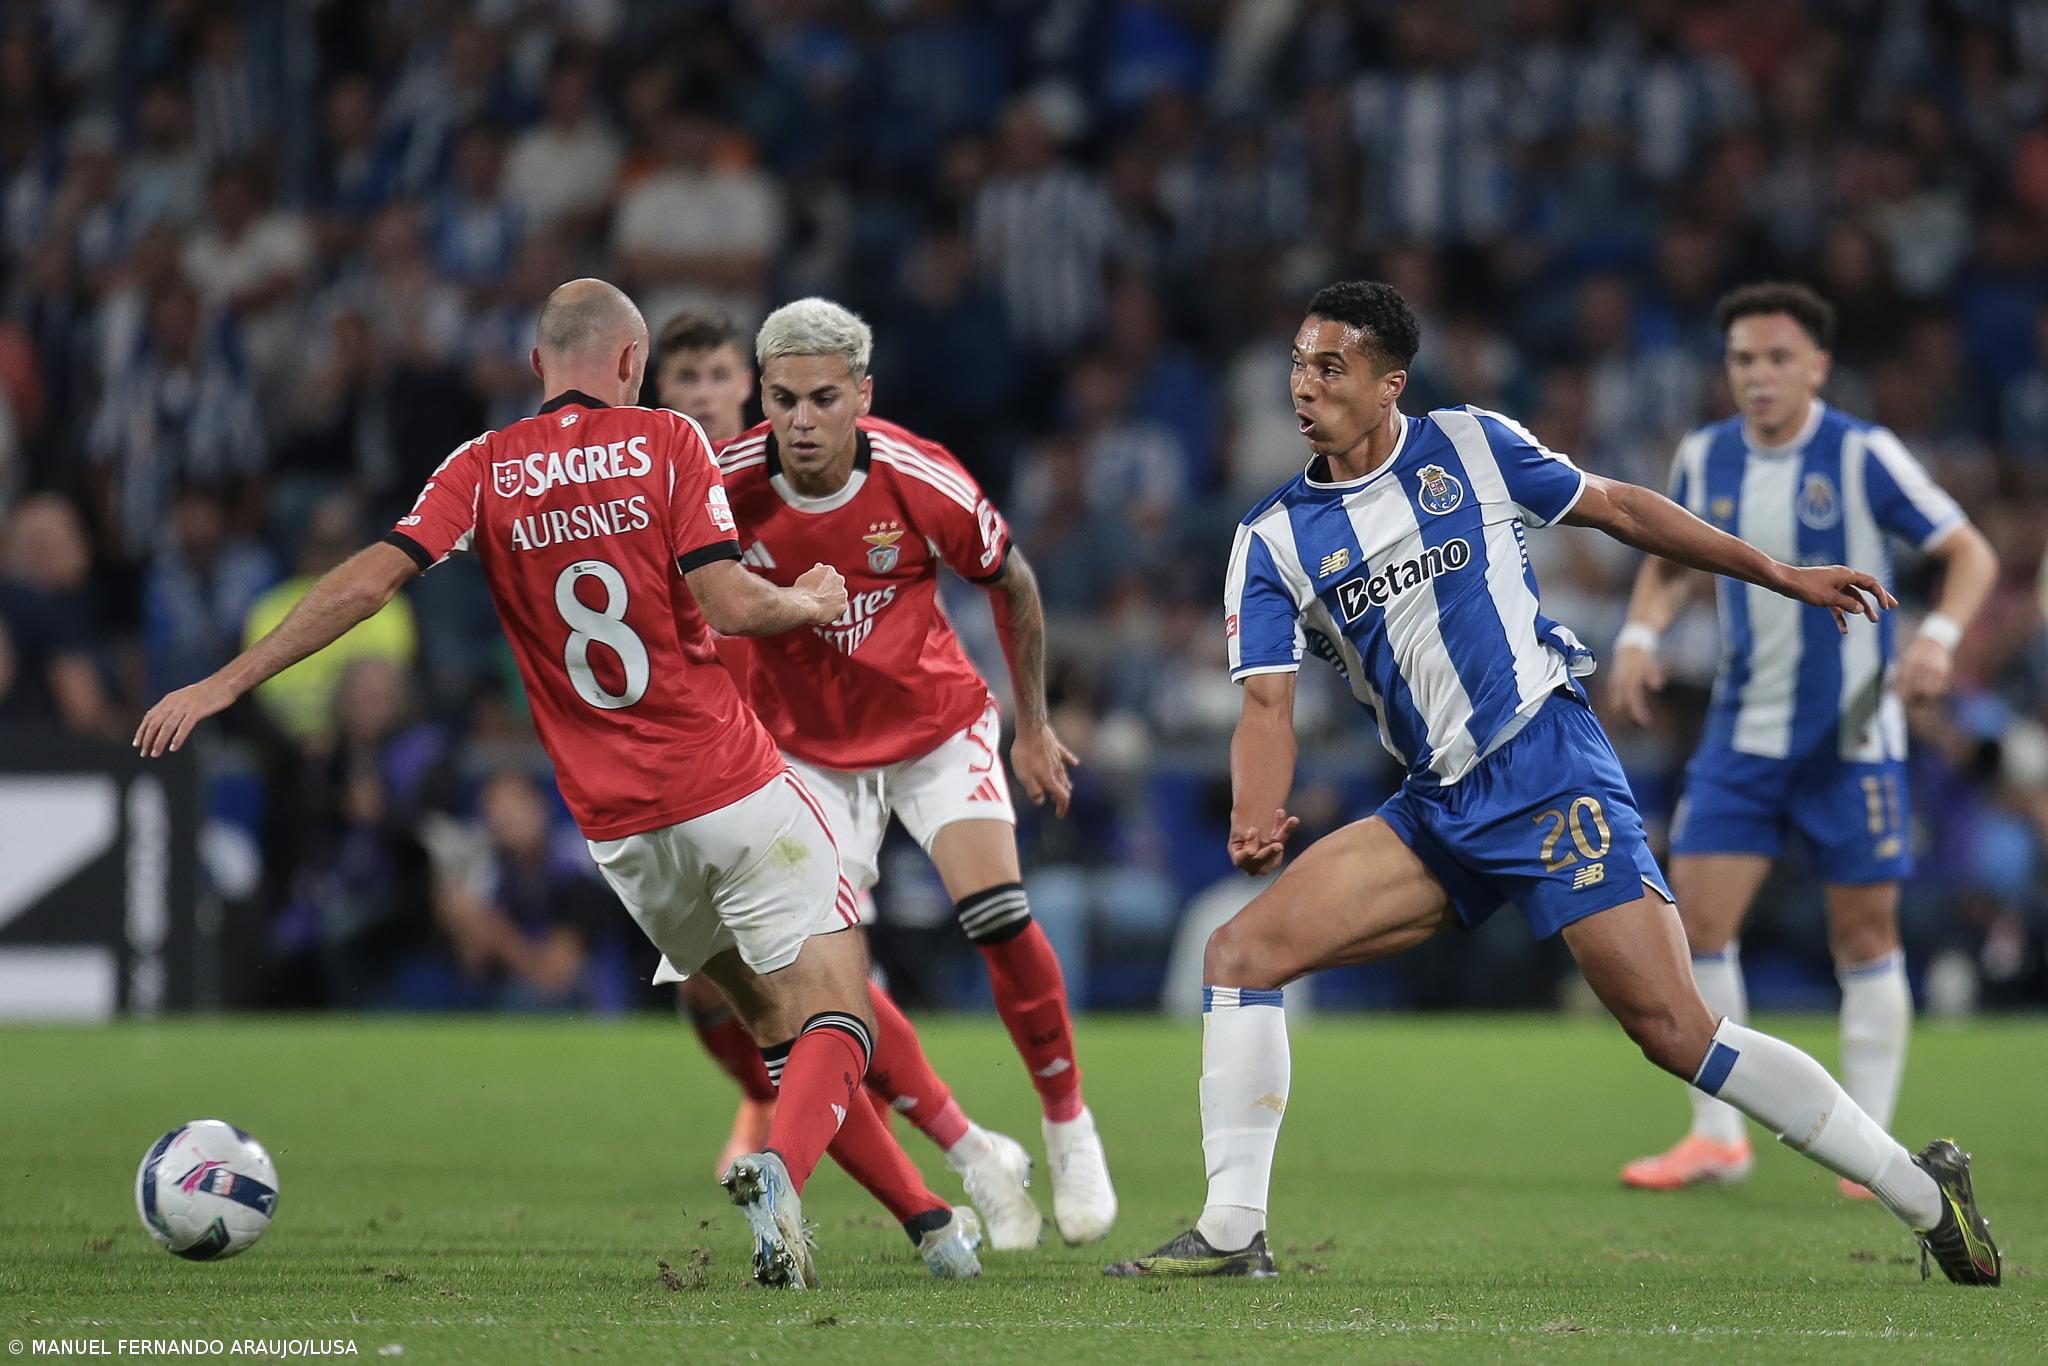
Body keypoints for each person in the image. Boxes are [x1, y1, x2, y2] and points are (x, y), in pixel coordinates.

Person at [1105, 281, 2000, 1286]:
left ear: (1388, 384)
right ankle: (1234, 1232)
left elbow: (1618, 508)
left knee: (1676, 1032)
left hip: (1546, 768)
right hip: (1437, 804)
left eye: (1330, 367)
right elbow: (1266, 706)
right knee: (1239, 953)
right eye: (1298, 365)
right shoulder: (1270, 538)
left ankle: (1923, 1195)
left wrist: (1779, 573)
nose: (1302, 386)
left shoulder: (1470, 445)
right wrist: (1254, 811)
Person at [136, 278, 982, 1289]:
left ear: (538, 365)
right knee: (841, 1010)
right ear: (631, 363)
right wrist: (806, 599)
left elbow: (368, 582)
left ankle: (933, 1226)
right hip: (727, 781)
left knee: (771, 1027)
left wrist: (226, 681)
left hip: (621, 830)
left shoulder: (481, 466)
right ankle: (782, 1170)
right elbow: (728, 602)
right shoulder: (667, 440)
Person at [659, 296, 1118, 1245]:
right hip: (808, 758)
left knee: (996, 914)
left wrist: (1032, 729)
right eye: (784, 399)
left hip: (935, 729)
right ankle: (972, 1155)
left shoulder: (917, 475)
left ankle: (1069, 1126)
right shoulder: (724, 487)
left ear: (862, 396)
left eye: (824, 398)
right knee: (827, 987)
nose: (802, 420)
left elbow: (1013, 583)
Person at [1613, 283, 1999, 1195]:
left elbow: (1970, 552)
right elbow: (1671, 564)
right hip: (1740, 737)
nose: (1759, 376)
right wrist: (1638, 635)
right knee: (1698, 926)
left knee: (1863, 934)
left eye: (1779, 358)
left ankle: (1869, 1151)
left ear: (1818, 366)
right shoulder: (1705, 455)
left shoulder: (1862, 454)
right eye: (1743, 359)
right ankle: (1719, 1140)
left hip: (1852, 739)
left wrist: (1938, 640)